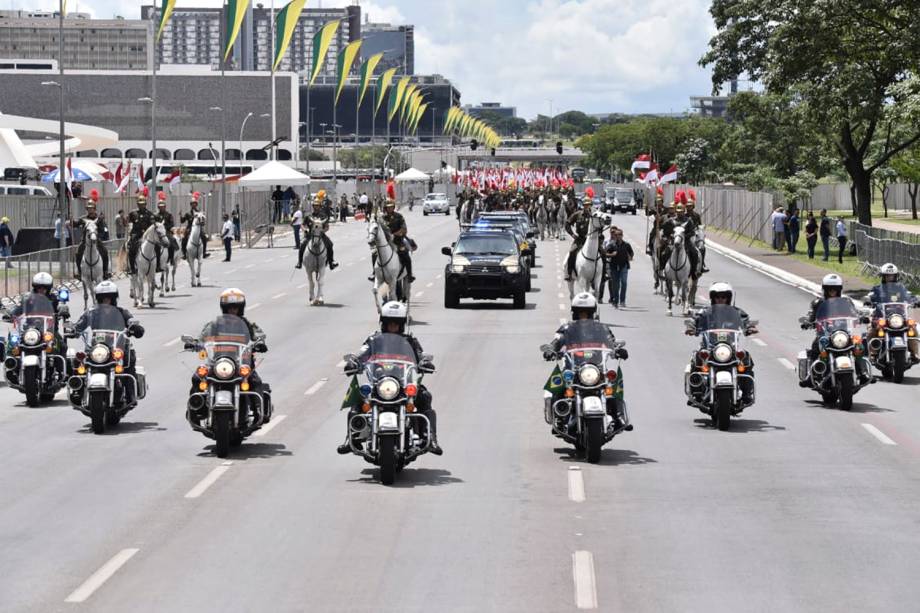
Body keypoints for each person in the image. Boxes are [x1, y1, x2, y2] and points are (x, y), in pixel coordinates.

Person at [338, 301, 442, 455]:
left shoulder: (410, 341)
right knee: (358, 395)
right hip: (379, 383)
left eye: (396, 323)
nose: (393, 326)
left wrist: (424, 362)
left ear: (402, 324)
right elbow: (362, 353)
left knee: (424, 396)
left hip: (403, 383)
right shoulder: (374, 340)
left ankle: (431, 438)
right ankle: (351, 437)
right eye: (389, 323)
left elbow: (420, 355)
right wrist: (354, 362)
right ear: (383, 323)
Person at [542, 293, 630, 429]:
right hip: (573, 367)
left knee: (612, 386)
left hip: (596, 367)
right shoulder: (566, 329)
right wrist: (551, 350)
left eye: (586, 313)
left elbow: (612, 342)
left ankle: (619, 417)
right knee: (558, 384)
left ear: (592, 313)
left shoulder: (602, 328)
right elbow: (557, 341)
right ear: (574, 313)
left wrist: (618, 350)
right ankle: (559, 417)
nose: (583, 316)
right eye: (579, 313)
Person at [187, 289, 270, 424]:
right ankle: (196, 409)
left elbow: (258, 335)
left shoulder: (247, 324)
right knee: (197, 377)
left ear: (240, 308)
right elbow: (203, 336)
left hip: (241, 361)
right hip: (217, 361)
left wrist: (260, 343)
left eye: (236, 308)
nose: (233, 310)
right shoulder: (215, 324)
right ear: (224, 308)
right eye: (230, 308)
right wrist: (196, 344)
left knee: (255, 381)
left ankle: (258, 410)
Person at [70, 280, 144, 400]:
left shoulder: (122, 312)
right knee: (79, 360)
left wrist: (135, 328)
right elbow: (79, 324)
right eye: (103, 298)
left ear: (114, 298)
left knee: (128, 360)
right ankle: (77, 390)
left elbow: (130, 321)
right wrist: (73, 329)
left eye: (109, 297)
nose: (106, 300)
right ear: (98, 299)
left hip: (117, 347)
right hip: (96, 348)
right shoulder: (91, 313)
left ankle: (130, 392)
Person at [685, 282, 757, 404]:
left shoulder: (737, 312)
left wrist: (749, 327)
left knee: (746, 359)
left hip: (731, 347)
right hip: (709, 347)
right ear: (713, 298)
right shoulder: (705, 312)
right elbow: (695, 319)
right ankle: (696, 391)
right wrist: (691, 327)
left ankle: (746, 393)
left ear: (728, 298)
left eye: (723, 297)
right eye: (718, 297)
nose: (720, 300)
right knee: (697, 358)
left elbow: (746, 321)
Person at [865, 263, 920, 363]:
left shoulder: (901, 288)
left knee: (913, 328)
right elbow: (869, 296)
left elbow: (909, 296)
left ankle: (915, 353)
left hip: (899, 317)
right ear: (883, 276)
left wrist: (915, 300)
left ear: (896, 276)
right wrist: (868, 300)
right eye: (887, 275)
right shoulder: (877, 289)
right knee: (871, 330)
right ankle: (873, 353)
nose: (890, 277)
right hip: (881, 316)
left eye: (892, 275)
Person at [370, 198, 414, 282]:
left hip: (397, 241)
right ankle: (374, 273)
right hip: (385, 242)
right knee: (374, 254)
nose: (389, 209)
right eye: (388, 207)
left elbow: (404, 229)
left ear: (393, 207)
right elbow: (378, 229)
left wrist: (394, 235)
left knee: (405, 254)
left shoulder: (399, 216)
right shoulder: (382, 218)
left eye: (391, 207)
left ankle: (409, 275)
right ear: (385, 208)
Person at [72, 192, 111, 279]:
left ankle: (105, 271)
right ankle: (79, 272)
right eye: (89, 208)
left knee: (104, 252)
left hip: (96, 240)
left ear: (94, 209)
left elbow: (102, 230)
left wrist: (98, 237)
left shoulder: (99, 219)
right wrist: (71, 222)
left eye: (92, 208)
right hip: (85, 241)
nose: (90, 210)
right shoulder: (83, 219)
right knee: (78, 253)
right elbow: (76, 224)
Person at [295, 197, 339, 270]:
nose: (316, 207)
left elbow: (327, 227)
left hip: (320, 235)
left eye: (317, 205)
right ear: (313, 206)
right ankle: (299, 262)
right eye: (315, 205)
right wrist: (305, 230)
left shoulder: (323, 216)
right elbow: (302, 225)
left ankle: (331, 262)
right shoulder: (309, 216)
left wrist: (322, 231)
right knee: (302, 244)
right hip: (310, 235)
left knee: (330, 244)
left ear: (320, 206)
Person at [564, 196, 595, 282]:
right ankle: (569, 273)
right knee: (572, 252)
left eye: (588, 205)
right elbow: (567, 224)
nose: (587, 207)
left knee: (602, 252)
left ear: (591, 205)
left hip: (591, 239)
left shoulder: (594, 216)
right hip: (580, 239)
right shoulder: (577, 214)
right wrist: (572, 235)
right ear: (583, 205)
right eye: (585, 205)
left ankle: (604, 274)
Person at [127, 192, 158, 275]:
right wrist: (129, 231)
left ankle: (157, 265)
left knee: (157, 246)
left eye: (143, 204)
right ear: (137, 204)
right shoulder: (133, 214)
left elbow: (152, 226)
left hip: (147, 236)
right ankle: (132, 268)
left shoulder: (150, 214)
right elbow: (129, 224)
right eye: (140, 204)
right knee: (132, 249)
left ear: (145, 204)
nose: (141, 206)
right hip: (136, 235)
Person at [605, 227, 634, 308]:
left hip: (624, 266)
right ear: (615, 236)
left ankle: (622, 300)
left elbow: (631, 253)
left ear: (622, 235)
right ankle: (615, 301)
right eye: (617, 235)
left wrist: (630, 257)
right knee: (615, 285)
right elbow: (605, 253)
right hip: (614, 267)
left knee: (624, 283)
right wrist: (611, 255)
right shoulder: (612, 245)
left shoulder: (626, 245)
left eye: (620, 234)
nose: (618, 236)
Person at [179, 193, 209, 259]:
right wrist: (181, 216)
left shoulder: (199, 213)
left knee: (204, 237)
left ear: (196, 204)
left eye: (195, 203)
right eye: (192, 203)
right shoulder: (188, 213)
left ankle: (204, 253)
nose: (193, 205)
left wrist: (202, 222)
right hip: (190, 228)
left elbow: (203, 222)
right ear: (191, 205)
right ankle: (184, 253)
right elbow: (182, 221)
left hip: (197, 227)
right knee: (184, 239)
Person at [154, 192, 177, 268]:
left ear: (165, 207)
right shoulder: (156, 215)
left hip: (166, 231)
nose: (161, 208)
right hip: (158, 233)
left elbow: (171, 224)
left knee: (172, 240)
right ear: (158, 207)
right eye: (160, 207)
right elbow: (154, 224)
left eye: (163, 206)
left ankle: (171, 258)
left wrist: (166, 227)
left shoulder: (169, 215)